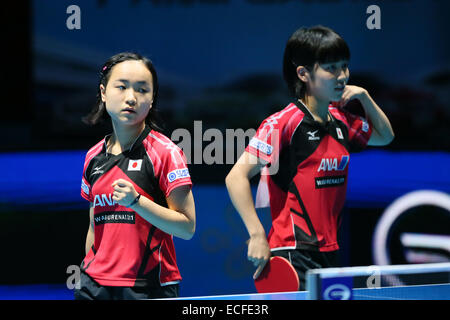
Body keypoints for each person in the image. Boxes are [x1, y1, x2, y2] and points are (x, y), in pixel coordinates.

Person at [225, 26, 394, 290]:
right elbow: (236, 177)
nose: (342, 76)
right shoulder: (283, 123)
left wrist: (365, 96)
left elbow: (385, 137)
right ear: (303, 73)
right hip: (293, 253)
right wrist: (257, 234)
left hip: (331, 251)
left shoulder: (341, 121)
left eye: (345, 66)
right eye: (331, 68)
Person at [75, 52, 196, 300]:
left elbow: (187, 228)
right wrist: (88, 272)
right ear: (103, 92)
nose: (131, 97)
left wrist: (136, 202)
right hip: (94, 287)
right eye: (121, 87)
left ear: (152, 100)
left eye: (142, 90)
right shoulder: (93, 156)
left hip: (146, 287)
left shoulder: (165, 153)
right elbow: (93, 226)